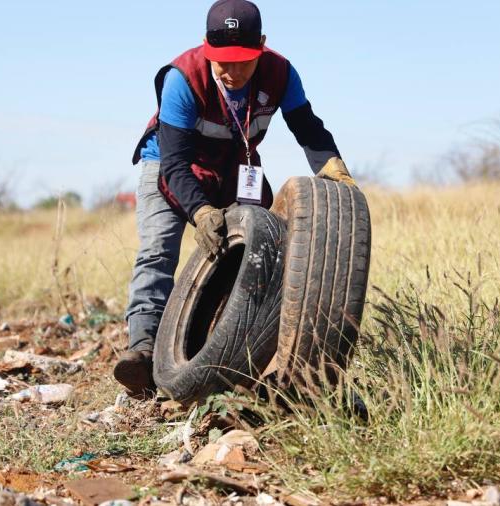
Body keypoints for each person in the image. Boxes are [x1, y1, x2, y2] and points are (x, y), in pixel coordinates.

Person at [115, 0, 356, 396]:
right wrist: (202, 211)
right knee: (158, 249)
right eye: (221, 61)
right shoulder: (183, 77)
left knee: (265, 249)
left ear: (261, 46)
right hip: (171, 166)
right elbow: (175, 164)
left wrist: (332, 166)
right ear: (205, 47)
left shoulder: (281, 73)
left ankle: (241, 348)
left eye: (242, 61)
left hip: (234, 166)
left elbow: (308, 128)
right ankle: (142, 351)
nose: (230, 71)